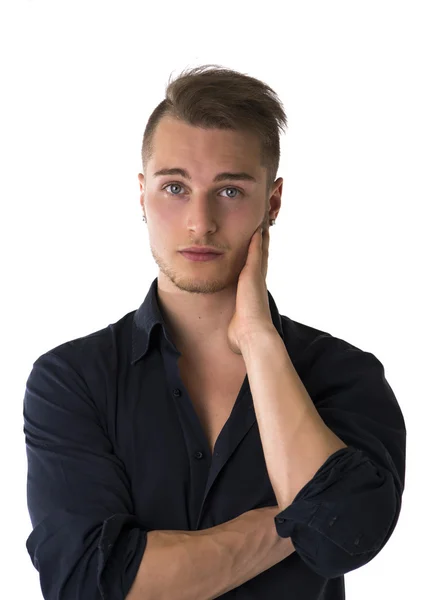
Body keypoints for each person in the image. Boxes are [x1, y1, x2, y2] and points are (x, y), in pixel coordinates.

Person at [23, 64, 406, 600]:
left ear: (272, 203)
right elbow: (88, 582)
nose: (199, 221)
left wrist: (258, 338)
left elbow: (349, 540)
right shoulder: (72, 380)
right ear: (141, 195)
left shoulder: (343, 374)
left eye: (229, 192)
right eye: (175, 187)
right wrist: (303, 516)